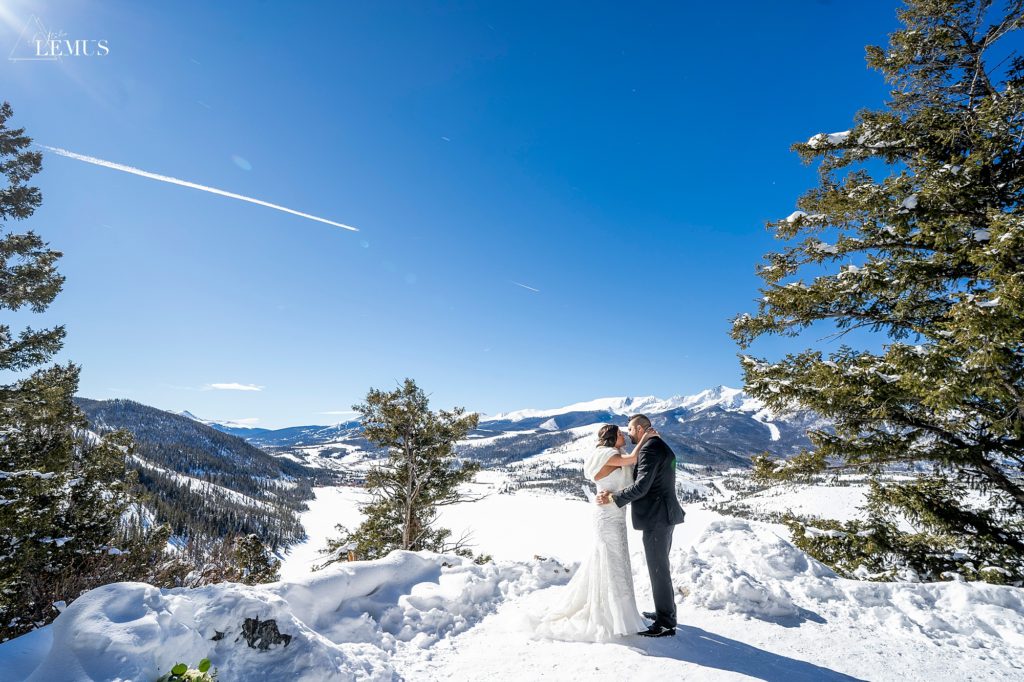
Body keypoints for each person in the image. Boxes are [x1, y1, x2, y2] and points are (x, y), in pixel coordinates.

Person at [534, 423, 654, 641]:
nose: (624, 436)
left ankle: (622, 613)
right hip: (607, 517)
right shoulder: (607, 454)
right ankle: (612, 615)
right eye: (620, 434)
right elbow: (632, 460)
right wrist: (646, 436)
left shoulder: (616, 453)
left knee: (618, 562)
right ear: (611, 438)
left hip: (616, 514)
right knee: (612, 561)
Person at [596, 414, 685, 638]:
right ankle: (665, 612)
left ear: (639, 429)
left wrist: (613, 498)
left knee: (658, 570)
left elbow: (642, 486)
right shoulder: (654, 445)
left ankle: (666, 623)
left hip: (658, 517)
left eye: (630, 429)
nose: (627, 433)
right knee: (660, 567)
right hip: (663, 515)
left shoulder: (649, 449)